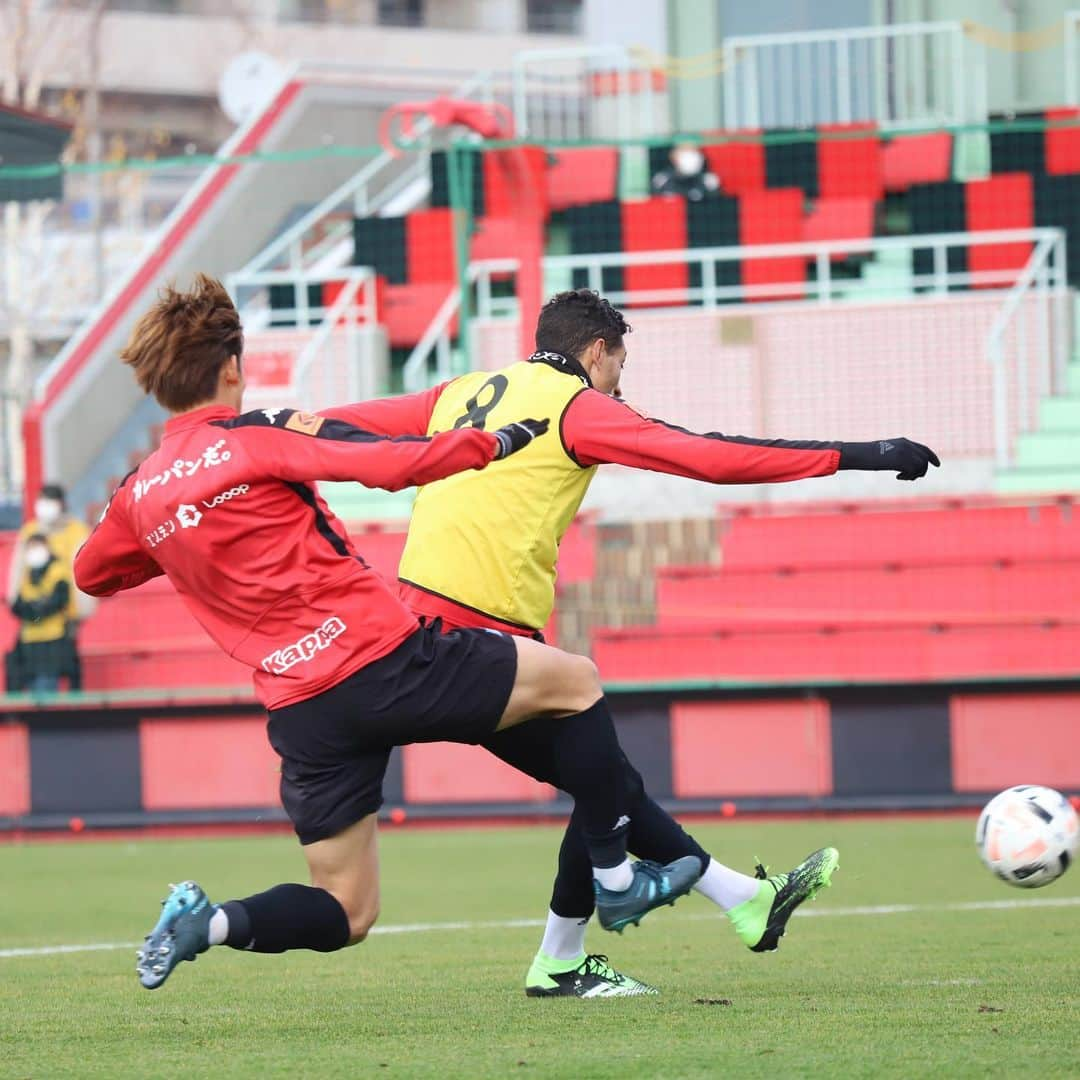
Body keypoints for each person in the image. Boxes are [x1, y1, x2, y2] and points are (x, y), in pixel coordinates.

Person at [73, 275, 701, 992]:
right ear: (232, 370)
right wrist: (491, 443)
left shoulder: (138, 493)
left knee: (346, 910)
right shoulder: (258, 436)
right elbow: (390, 460)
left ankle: (209, 923)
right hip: (384, 661)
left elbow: (93, 574)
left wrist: (177, 541)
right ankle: (616, 879)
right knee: (576, 681)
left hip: (302, 711)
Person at [321, 287, 940, 997]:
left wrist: (249, 429)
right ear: (596, 351)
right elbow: (710, 456)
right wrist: (863, 453)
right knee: (599, 761)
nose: (621, 380)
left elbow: (345, 423)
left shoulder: (463, 391)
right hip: (471, 641)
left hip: (432, 634)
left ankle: (660, 927)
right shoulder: (576, 405)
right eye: (619, 362)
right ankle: (638, 890)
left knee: (604, 781)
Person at [6, 482, 91, 689]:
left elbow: (83, 574)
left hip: (66, 616)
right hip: (32, 618)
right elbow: (17, 571)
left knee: (55, 668)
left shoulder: (77, 532)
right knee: (22, 668)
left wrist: (81, 611)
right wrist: (15, 601)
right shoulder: (30, 531)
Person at [5, 532, 73, 692]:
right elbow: (17, 604)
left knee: (46, 687)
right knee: (30, 687)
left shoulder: (58, 570)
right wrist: (34, 609)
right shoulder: (26, 573)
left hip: (52, 638)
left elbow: (59, 600)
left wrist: (35, 609)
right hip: (29, 640)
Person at [651, 142, 721, 201]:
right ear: (673, 156)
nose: (690, 156)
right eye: (685, 151)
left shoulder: (709, 181)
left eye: (693, 151)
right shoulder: (661, 180)